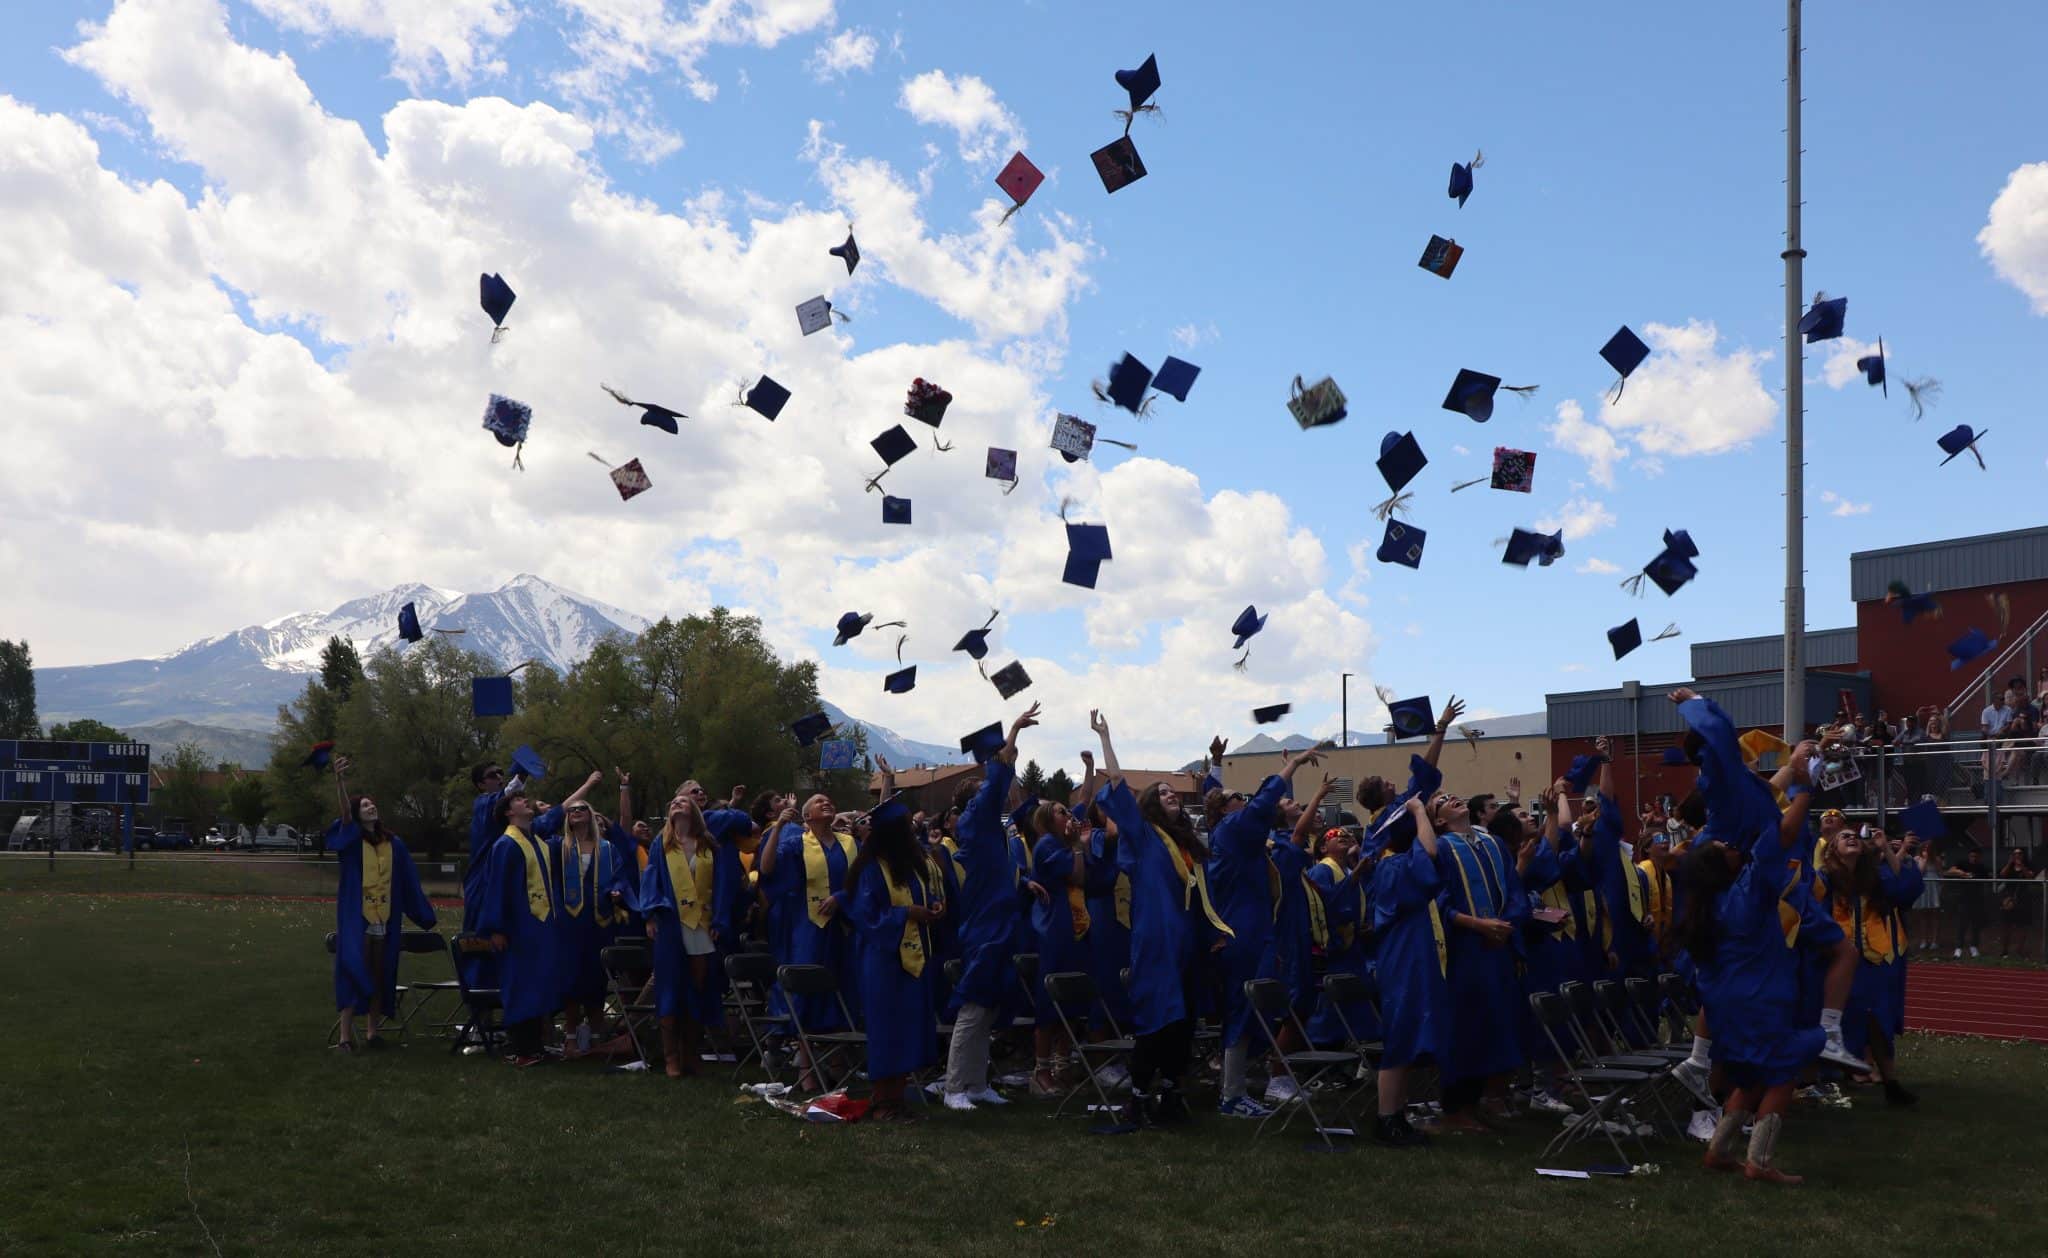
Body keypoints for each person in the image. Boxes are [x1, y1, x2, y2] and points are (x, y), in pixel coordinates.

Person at [1675, 688, 1824, 1185]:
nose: (1728, 844)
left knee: (1749, 1075)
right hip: (1760, 996)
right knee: (1782, 1072)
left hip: (1729, 1001)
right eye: (1723, 847)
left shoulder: (1706, 903)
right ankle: (1760, 1163)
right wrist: (1805, 786)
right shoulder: (1747, 889)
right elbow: (1779, 834)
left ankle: (1719, 1151)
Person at [1090, 708, 1229, 1127]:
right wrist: (1105, 739)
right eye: (1164, 792)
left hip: (1185, 940)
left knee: (1184, 1020)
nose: (1171, 795)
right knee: (1156, 1018)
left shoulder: (1186, 844)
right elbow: (1117, 787)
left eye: (1174, 792)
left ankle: (1170, 1092)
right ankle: (1138, 1096)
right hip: (1154, 939)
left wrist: (1211, 934)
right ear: (1152, 803)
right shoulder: (1143, 834)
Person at [1203, 740, 1322, 1118]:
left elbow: (1271, 811)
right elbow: (1263, 803)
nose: (1247, 800)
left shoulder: (1245, 837)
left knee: (1257, 1008)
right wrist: (1295, 766)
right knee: (1242, 1007)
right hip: (1241, 930)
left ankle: (1239, 1083)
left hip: (1255, 929)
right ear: (1225, 808)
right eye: (1237, 795)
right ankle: (1231, 1094)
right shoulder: (1232, 830)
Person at [942, 703, 1041, 1111]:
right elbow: (997, 779)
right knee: (973, 1007)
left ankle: (977, 1083)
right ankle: (953, 1088)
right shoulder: (976, 821)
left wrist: (1025, 886)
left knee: (988, 1010)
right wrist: (1013, 732)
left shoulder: (990, 831)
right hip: (984, 927)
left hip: (1000, 921)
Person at [1427, 780, 1528, 1130]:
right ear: (1438, 820)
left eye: (1451, 794)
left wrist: (1505, 924)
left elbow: (1515, 890)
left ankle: (1486, 1097)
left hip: (1497, 945)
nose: (1451, 796)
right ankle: (1456, 1107)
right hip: (1464, 947)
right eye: (1442, 800)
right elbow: (1437, 902)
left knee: (1497, 1022)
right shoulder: (1439, 848)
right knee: (1465, 1025)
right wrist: (1477, 925)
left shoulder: (1494, 842)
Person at [843, 796, 946, 1120]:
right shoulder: (870, 868)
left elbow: (921, 897)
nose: (912, 833)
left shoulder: (909, 865)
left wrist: (932, 907)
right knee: (887, 1029)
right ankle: (882, 1101)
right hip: (882, 960)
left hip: (913, 959)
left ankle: (897, 1099)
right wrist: (907, 913)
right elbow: (865, 916)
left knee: (908, 1028)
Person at [325, 755, 436, 1052]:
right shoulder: (351, 842)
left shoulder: (393, 844)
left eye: (372, 804)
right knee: (352, 972)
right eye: (364, 805)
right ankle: (345, 1039)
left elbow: (408, 882)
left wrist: (423, 914)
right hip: (358, 919)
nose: (370, 807)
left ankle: (373, 1033)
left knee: (380, 975)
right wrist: (340, 782)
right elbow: (345, 818)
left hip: (384, 920)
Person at [1813, 825, 1924, 1107]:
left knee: (1879, 1022)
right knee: (1827, 1022)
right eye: (1843, 836)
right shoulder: (1824, 879)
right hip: (1835, 963)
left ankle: (1891, 1084)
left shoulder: (1874, 878)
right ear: (1831, 850)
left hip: (1874, 961)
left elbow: (1905, 889)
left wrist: (1886, 848)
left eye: (1854, 836)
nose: (1851, 837)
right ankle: (1822, 1081)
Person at [757, 790, 858, 1091]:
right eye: (818, 801)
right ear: (807, 816)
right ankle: (806, 1069)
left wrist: (841, 897)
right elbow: (766, 868)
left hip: (843, 925)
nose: (826, 802)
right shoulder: (796, 843)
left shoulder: (850, 843)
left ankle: (837, 1064)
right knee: (806, 992)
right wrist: (776, 826)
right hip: (808, 926)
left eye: (829, 799)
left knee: (841, 990)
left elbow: (863, 880)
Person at [1366, 796, 1449, 1147]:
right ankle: (1387, 1118)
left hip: (1407, 954)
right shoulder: (1395, 867)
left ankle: (1397, 1114)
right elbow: (1430, 854)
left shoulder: (1393, 864)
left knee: (1407, 1036)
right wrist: (1418, 811)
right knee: (1400, 1039)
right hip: (1402, 959)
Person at [638, 793, 725, 1078]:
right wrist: (650, 914)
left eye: (683, 801)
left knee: (697, 989)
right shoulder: (661, 844)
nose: (677, 803)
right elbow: (651, 879)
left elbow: (721, 885)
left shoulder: (708, 844)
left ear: (694, 810)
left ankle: (691, 1052)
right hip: (671, 924)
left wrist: (719, 918)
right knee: (670, 988)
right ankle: (670, 1056)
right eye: (673, 801)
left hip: (701, 925)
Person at [479, 781, 563, 1066]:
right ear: (508, 813)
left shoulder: (538, 842)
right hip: (517, 927)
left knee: (539, 983)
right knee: (520, 985)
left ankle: (536, 1046)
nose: (526, 801)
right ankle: (519, 1048)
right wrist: (497, 928)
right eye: (519, 800)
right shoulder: (506, 844)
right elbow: (497, 889)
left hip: (540, 925)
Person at [533, 771, 613, 1055]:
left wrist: (618, 894)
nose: (577, 812)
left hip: (598, 922)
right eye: (572, 809)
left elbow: (621, 877)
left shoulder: (607, 848)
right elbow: (537, 830)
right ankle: (569, 1035)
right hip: (567, 922)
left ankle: (595, 1034)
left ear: (591, 816)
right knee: (569, 979)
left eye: (583, 809)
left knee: (596, 979)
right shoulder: (557, 847)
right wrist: (587, 785)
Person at [1028, 798, 1094, 1096]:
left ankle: (1062, 1064)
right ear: (1046, 819)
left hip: (1075, 930)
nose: (1068, 815)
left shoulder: (1066, 846)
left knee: (1071, 1002)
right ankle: (1041, 1070)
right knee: (1049, 1002)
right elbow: (1077, 876)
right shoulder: (1046, 846)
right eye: (1061, 812)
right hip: (1054, 929)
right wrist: (1079, 847)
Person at [1945, 845, 1990, 957]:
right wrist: (1962, 873)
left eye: (1976, 856)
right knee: (1962, 924)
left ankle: (1973, 947)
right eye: (1971, 856)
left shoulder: (1982, 868)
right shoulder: (1962, 864)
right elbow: (1949, 872)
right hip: (1963, 898)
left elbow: (1986, 880)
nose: (1973, 858)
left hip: (1977, 899)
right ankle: (1959, 948)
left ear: (1979, 857)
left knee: (1975, 924)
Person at [1994, 848, 2039, 959]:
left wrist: (2022, 866)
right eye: (2015, 854)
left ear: (2023, 855)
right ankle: (2004, 951)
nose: (2017, 856)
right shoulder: (2009, 866)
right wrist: (2010, 863)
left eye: (2019, 854)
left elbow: (2030, 877)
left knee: (2022, 927)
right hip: (2008, 899)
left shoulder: (2028, 866)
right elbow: (2002, 875)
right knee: (2006, 926)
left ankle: (2019, 951)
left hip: (2023, 900)